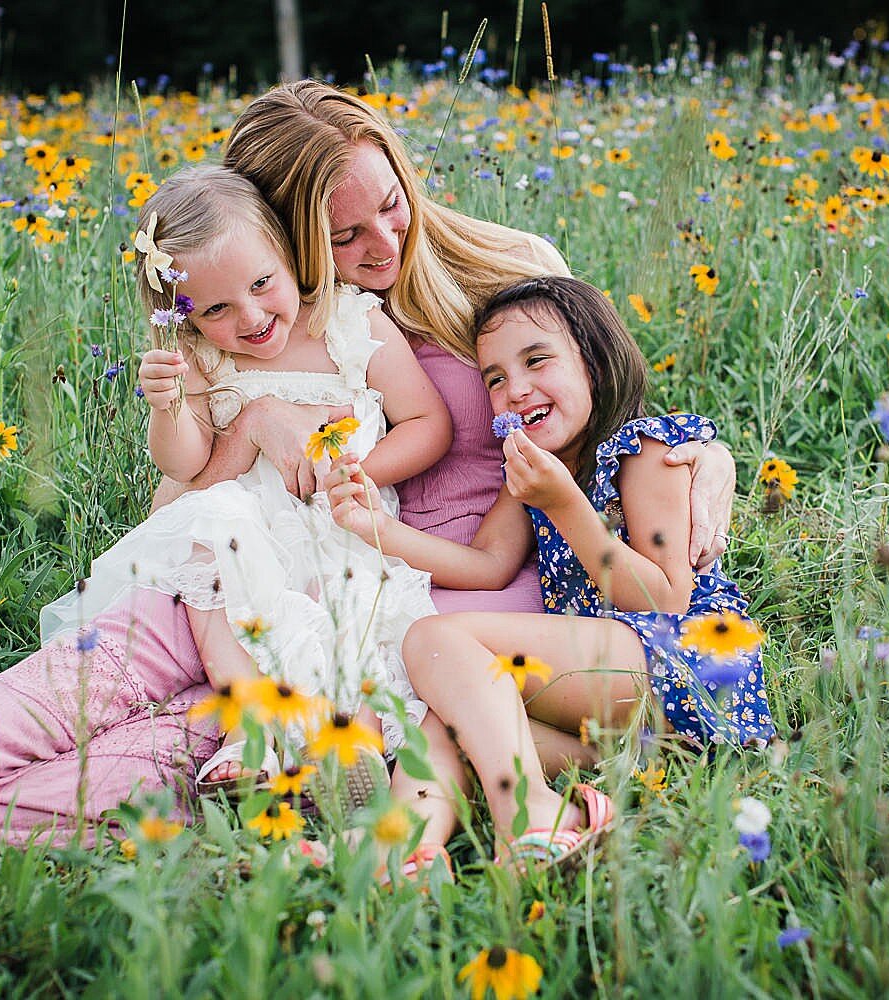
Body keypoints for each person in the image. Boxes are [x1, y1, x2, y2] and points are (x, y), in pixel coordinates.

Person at [0, 165, 451, 868]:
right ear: (185, 315)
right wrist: (173, 406)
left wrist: (350, 477)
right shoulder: (207, 360)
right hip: (218, 568)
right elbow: (189, 472)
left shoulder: (351, 324)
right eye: (214, 310)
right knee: (102, 672)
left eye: (262, 286)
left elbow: (427, 424)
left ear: (286, 255)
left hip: (328, 585)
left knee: (157, 757)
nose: (249, 319)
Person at [168, 81, 741, 806]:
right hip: (382, 574)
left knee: (428, 685)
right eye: (344, 237)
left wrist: (710, 461)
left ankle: (521, 803)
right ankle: (413, 853)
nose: (384, 243)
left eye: (391, 203)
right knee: (411, 706)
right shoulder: (268, 329)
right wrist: (263, 418)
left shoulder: (515, 269)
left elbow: (609, 415)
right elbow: (186, 497)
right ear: (284, 243)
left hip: (504, 597)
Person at [327, 277, 774, 868]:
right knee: (455, 712)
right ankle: (403, 844)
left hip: (676, 662)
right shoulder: (537, 473)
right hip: (614, 701)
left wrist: (565, 502)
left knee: (434, 640)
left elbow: (665, 595)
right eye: (494, 379)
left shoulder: (645, 451)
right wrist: (377, 529)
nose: (515, 390)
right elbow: (487, 565)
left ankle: (534, 809)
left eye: (537, 361)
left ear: (592, 359)